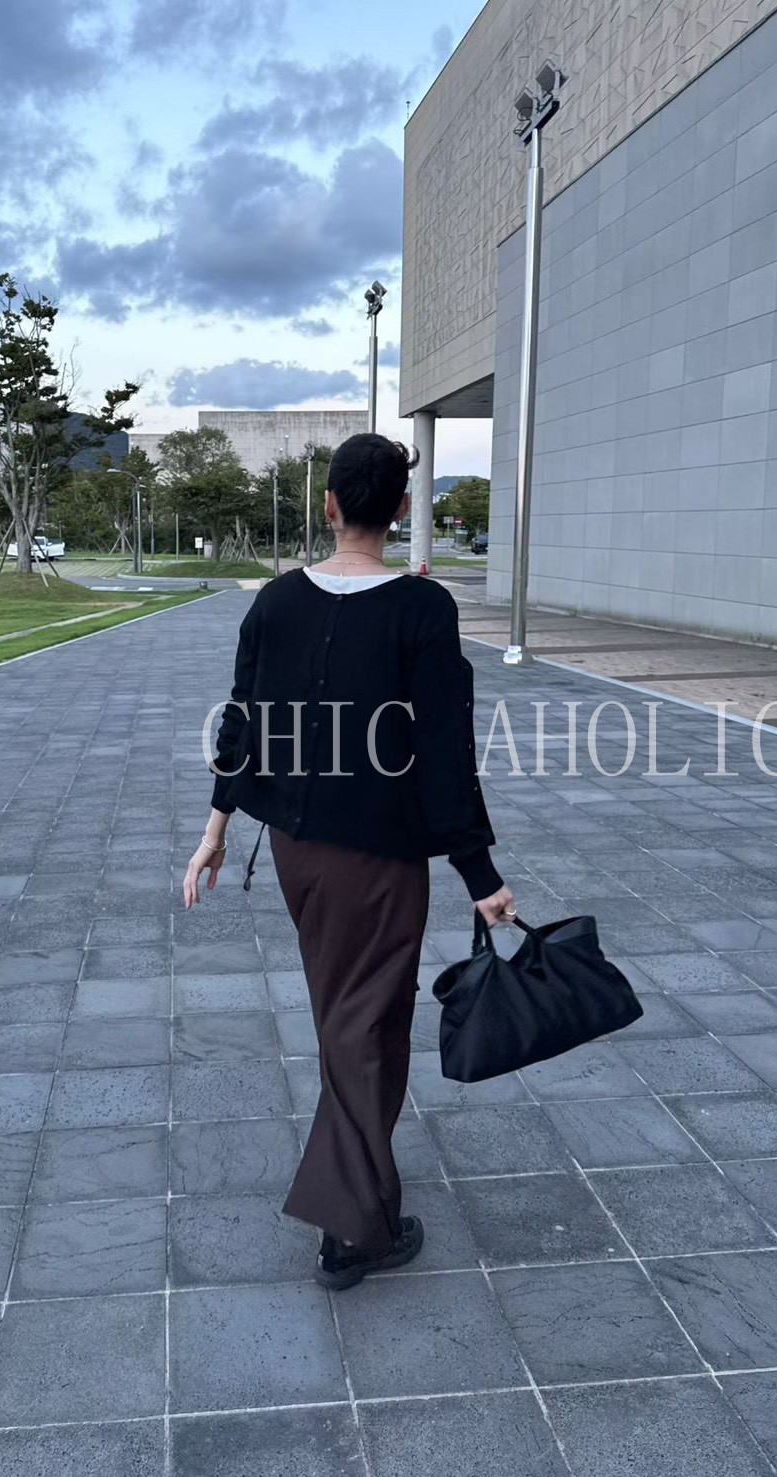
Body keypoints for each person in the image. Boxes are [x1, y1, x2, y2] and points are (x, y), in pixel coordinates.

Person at [183, 433, 514, 1291]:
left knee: (349, 1019)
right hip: (380, 859)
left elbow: (241, 720)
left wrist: (217, 827)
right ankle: (351, 1229)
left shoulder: (275, 603)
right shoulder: (421, 609)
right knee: (367, 1026)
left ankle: (359, 1206)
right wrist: (481, 876)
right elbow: (444, 754)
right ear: (399, 509)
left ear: (328, 504)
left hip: (299, 853)